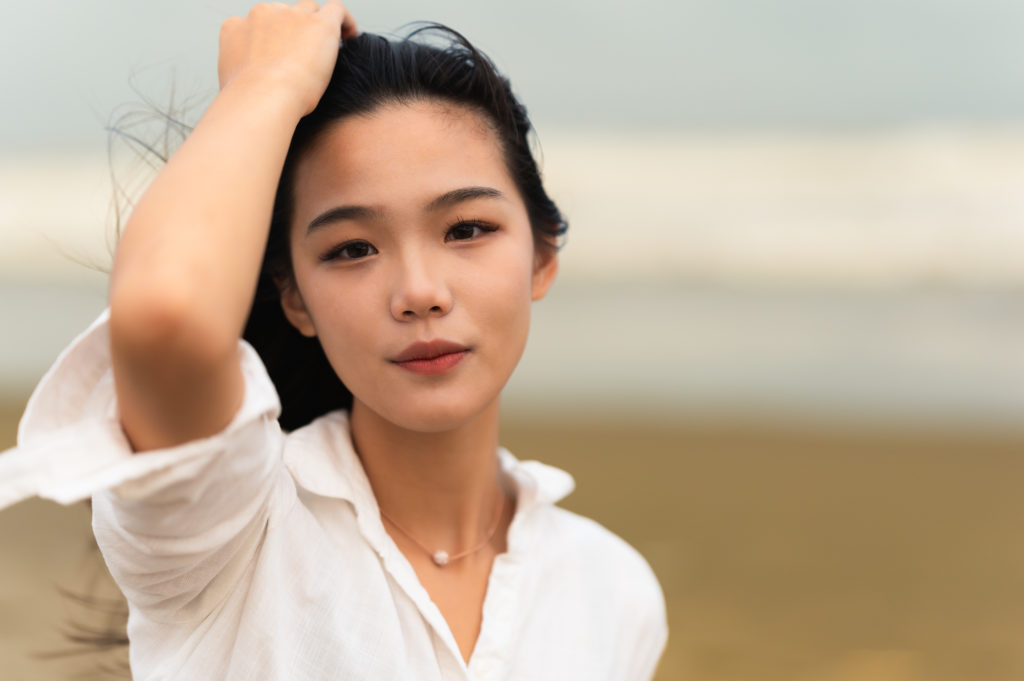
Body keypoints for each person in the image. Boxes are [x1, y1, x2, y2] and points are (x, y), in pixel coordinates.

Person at [0, 2, 667, 679]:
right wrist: (266, 84)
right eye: (353, 248)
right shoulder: (234, 530)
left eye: (466, 229)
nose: (419, 291)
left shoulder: (612, 588)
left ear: (542, 256)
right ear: (295, 298)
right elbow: (168, 312)